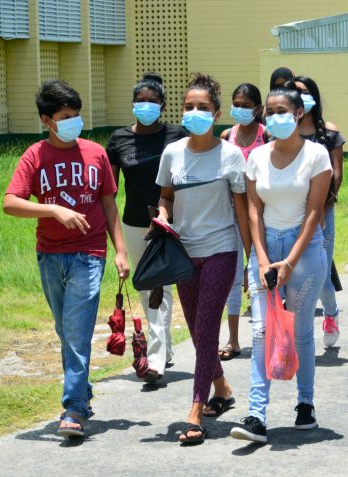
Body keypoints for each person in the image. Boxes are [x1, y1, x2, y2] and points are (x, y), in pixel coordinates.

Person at [3, 79, 129, 438]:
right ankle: (83, 391)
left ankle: (73, 409)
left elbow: (108, 203)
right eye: (64, 116)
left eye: (76, 115)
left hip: (90, 254)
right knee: (65, 330)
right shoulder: (35, 156)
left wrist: (119, 251)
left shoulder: (95, 153)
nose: (73, 122)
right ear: (47, 120)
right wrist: (53, 210)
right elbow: (10, 202)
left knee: (76, 333)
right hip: (50, 255)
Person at [230, 81, 331, 444]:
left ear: (299, 113)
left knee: (300, 328)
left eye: (282, 111)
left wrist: (288, 261)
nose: (275, 117)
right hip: (265, 247)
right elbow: (253, 210)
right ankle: (257, 414)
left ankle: (305, 404)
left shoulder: (316, 155)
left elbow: (315, 213)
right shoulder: (256, 157)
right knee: (261, 331)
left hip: (303, 251)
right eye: (269, 112)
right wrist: (260, 257)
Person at [155, 73, 251, 445]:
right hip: (183, 253)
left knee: (208, 329)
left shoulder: (230, 155)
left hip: (221, 250)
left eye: (203, 107)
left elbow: (242, 212)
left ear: (216, 113)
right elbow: (165, 196)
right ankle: (222, 388)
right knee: (198, 333)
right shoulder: (172, 153)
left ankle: (195, 409)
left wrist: (251, 259)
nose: (195, 112)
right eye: (189, 106)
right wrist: (163, 215)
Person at [107, 72, 187, 383]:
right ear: (132, 105)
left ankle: (154, 359)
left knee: (160, 287)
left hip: (169, 222)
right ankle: (162, 348)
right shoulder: (119, 139)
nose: (146, 106)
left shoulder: (176, 135)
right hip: (133, 223)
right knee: (145, 286)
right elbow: (109, 190)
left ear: (163, 106)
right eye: (140, 101)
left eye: (152, 102)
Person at [293, 75, 346, 348]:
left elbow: (336, 177)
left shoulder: (329, 132)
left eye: (304, 92)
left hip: (322, 213)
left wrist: (321, 210)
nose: (300, 97)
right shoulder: (281, 131)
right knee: (294, 270)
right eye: (295, 92)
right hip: (288, 213)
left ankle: (331, 312)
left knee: (321, 271)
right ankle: (296, 329)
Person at [217, 82, 267, 361]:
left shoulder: (267, 135)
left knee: (261, 271)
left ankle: (266, 332)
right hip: (232, 213)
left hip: (261, 215)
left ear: (257, 109)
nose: (240, 109)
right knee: (234, 276)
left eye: (246, 105)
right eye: (236, 103)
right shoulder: (227, 135)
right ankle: (233, 339)